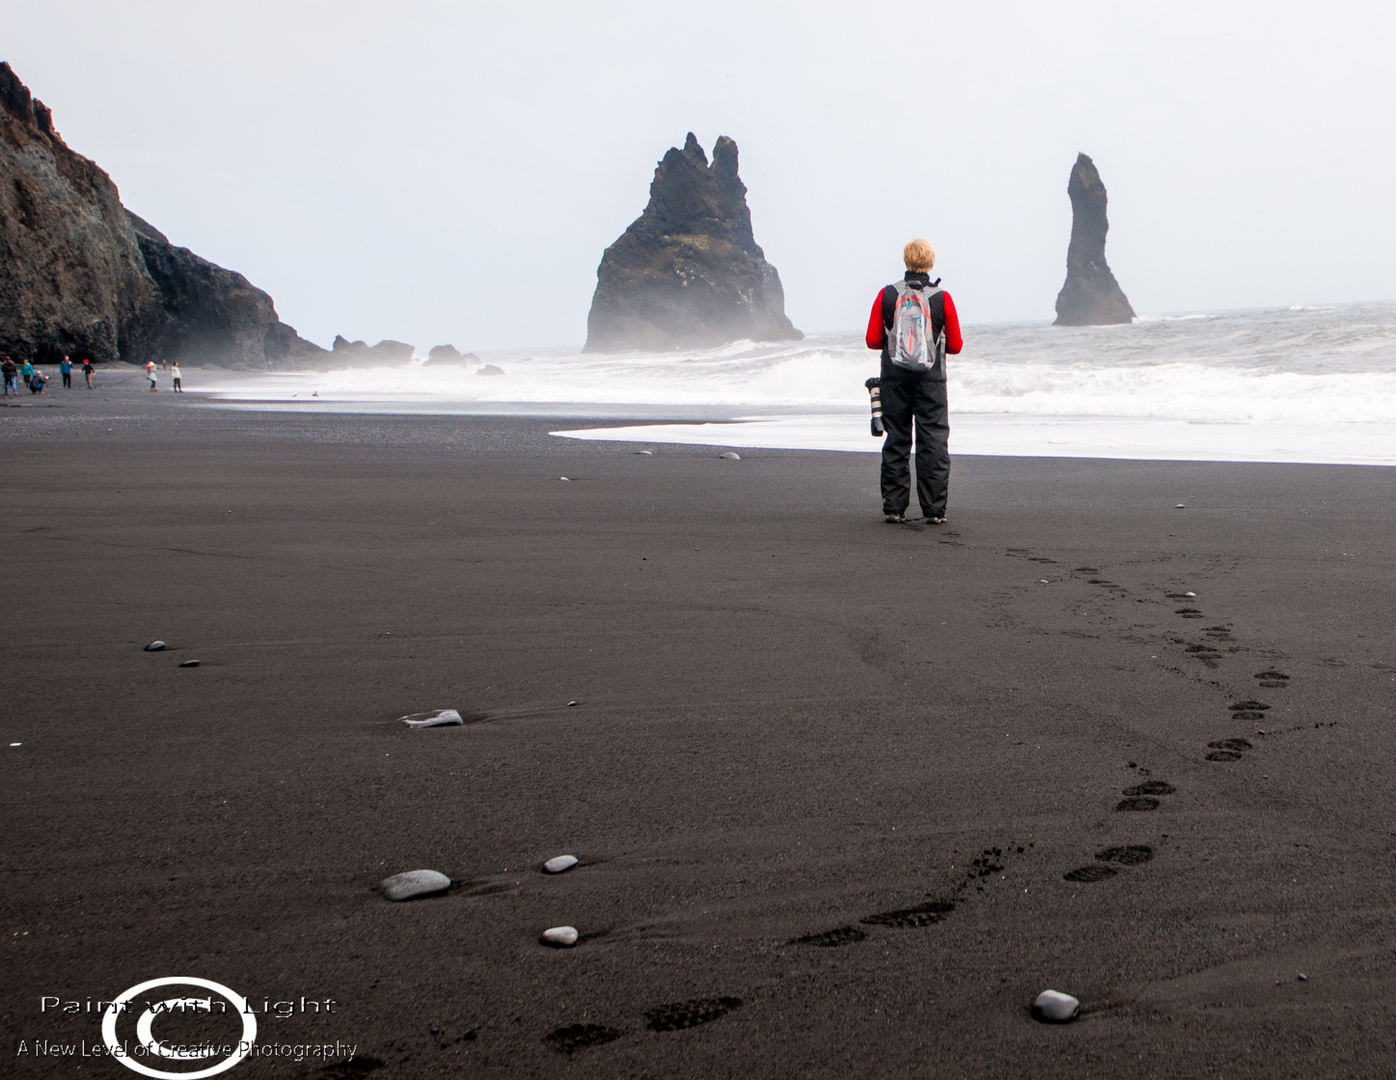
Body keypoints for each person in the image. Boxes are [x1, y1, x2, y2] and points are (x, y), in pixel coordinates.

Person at [865, 238, 963, 525]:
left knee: (897, 439)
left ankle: (894, 509)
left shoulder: (887, 295)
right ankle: (934, 510)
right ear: (930, 263)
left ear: (906, 262)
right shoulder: (942, 298)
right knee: (932, 440)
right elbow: (955, 345)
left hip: (893, 378)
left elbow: (872, 340)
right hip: (931, 380)